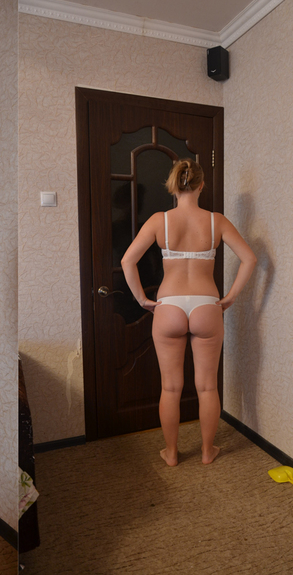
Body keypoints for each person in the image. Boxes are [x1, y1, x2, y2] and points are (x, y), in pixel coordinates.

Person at [121, 159, 256, 466]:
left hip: (168, 306)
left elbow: (128, 261)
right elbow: (249, 258)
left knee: (170, 387)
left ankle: (171, 453)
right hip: (207, 305)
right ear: (201, 185)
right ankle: (208, 451)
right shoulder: (216, 221)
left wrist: (142, 299)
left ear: (173, 186)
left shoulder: (160, 221)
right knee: (207, 386)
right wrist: (231, 296)